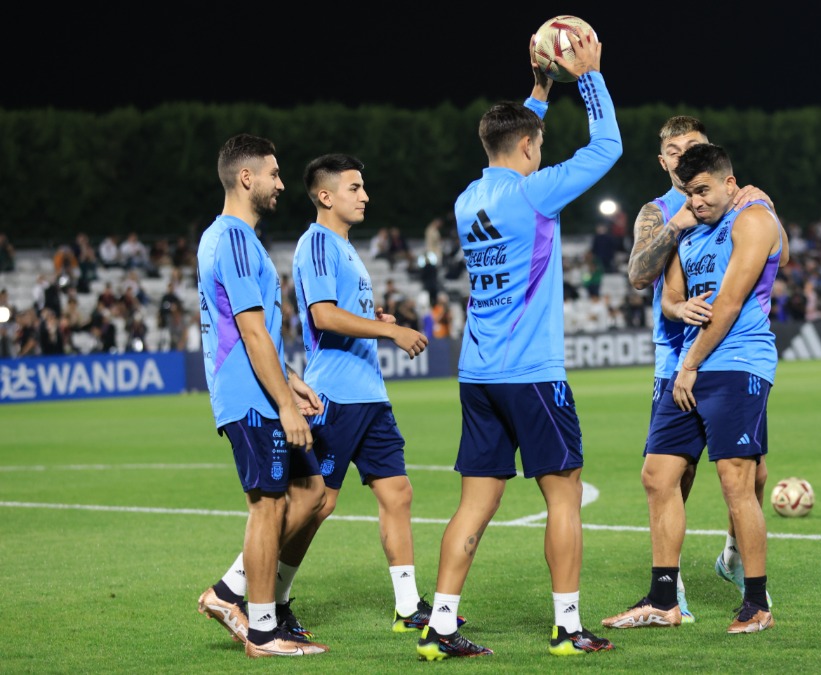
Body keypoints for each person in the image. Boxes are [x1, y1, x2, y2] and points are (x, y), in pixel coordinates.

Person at [416, 27, 621, 661]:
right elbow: (607, 144)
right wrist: (586, 76)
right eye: (537, 143)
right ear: (530, 148)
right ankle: (566, 626)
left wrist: (537, 93)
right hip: (531, 371)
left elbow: (511, 138)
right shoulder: (535, 192)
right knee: (564, 492)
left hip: (478, 372)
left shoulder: (467, 198)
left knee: (475, 502)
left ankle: (440, 626)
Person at [603, 143, 783, 635]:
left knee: (735, 481)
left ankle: (756, 603)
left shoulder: (754, 220)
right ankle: (664, 600)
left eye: (703, 190)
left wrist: (689, 365)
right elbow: (670, 298)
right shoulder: (688, 230)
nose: (695, 201)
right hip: (689, 365)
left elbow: (728, 302)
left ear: (729, 183)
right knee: (657, 476)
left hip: (735, 362)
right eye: (687, 192)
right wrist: (679, 313)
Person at [282, 152, 444, 637]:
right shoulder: (316, 243)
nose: (365, 195)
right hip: (336, 393)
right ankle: (265, 597)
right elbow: (323, 316)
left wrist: (379, 324)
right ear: (325, 195)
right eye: (354, 187)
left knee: (398, 493)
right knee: (317, 503)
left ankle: (408, 605)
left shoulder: (347, 248)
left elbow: (345, 316)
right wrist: (388, 332)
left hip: (370, 395)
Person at [193, 133, 330, 658]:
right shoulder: (229, 237)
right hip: (248, 396)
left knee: (312, 493)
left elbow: (259, 332)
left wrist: (291, 378)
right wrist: (283, 404)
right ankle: (264, 630)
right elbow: (249, 333)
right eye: (273, 174)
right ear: (245, 177)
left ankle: (228, 593)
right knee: (268, 507)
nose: (280, 184)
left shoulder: (238, 239)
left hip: (260, 387)